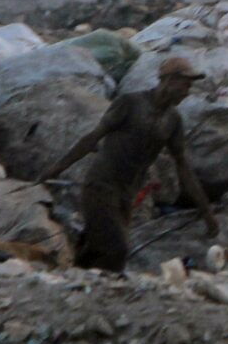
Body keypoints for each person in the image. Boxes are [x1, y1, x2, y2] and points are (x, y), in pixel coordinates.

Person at [43, 56, 217, 271]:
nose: (187, 91)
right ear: (170, 81)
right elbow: (92, 138)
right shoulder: (130, 103)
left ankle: (74, 285)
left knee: (96, 250)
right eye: (185, 85)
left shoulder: (173, 120)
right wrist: (55, 170)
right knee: (117, 250)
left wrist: (206, 212)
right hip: (100, 187)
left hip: (127, 194)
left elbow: (183, 167)